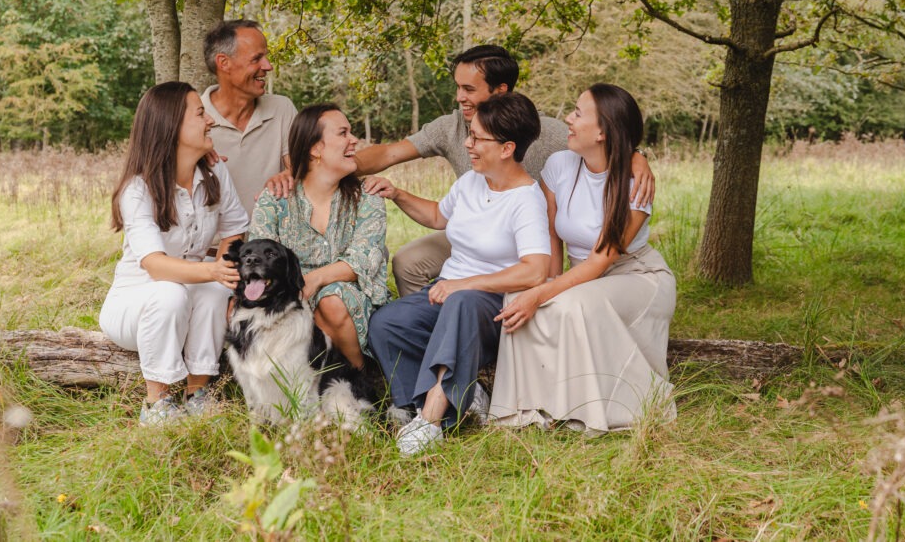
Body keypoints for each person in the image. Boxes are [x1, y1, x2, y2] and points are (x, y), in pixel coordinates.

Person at [266, 44, 654, 296]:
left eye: (469, 90)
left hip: (521, 240)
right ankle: (428, 327)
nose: (459, 97)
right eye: (457, 87)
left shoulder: (547, 131)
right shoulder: (448, 126)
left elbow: (604, 142)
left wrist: (636, 157)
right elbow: (387, 155)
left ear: (500, 92)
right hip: (470, 228)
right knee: (407, 261)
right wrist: (311, 169)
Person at [367, 92, 551, 456]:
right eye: (470, 133)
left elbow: (535, 271)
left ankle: (433, 420)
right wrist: (398, 193)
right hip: (453, 292)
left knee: (462, 303)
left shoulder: (526, 199)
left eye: (477, 137)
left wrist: (462, 284)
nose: (468, 143)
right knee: (386, 323)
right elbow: (439, 216)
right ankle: (433, 403)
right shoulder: (471, 182)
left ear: (506, 148)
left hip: (495, 304)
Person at [489, 83, 677, 435]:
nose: (568, 119)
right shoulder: (560, 164)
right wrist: (544, 282)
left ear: (603, 130)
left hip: (636, 276)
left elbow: (600, 261)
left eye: (578, 113)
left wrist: (543, 294)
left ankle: (609, 408)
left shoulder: (635, 182)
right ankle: (527, 409)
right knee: (518, 298)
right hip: (582, 276)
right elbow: (552, 234)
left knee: (569, 303)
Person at [100, 82, 249, 426]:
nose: (210, 120)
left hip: (189, 295)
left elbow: (234, 229)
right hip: (135, 302)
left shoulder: (213, 172)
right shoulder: (138, 188)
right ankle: (157, 403)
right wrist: (214, 271)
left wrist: (222, 271)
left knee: (213, 289)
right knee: (171, 292)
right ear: (171, 126)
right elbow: (154, 264)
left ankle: (197, 392)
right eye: (200, 113)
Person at [249, 104, 390, 370]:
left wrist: (314, 280)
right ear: (315, 148)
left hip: (349, 297)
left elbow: (364, 258)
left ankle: (359, 378)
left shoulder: (367, 197)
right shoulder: (276, 198)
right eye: (343, 133)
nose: (354, 140)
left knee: (331, 300)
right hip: (288, 294)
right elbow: (259, 257)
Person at [202, 19, 298, 215]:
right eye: (256, 59)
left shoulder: (282, 108)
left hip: (272, 243)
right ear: (224, 63)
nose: (268, 66)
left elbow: (301, 169)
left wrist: (291, 175)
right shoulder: (191, 118)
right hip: (214, 245)